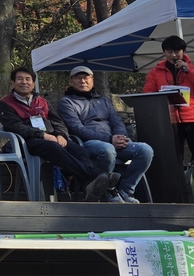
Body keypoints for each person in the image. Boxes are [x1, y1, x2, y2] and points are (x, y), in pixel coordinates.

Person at [0, 66, 117, 201]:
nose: (24, 82)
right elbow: (15, 126)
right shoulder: (5, 103)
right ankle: (96, 175)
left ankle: (87, 186)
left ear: (33, 83)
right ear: (13, 83)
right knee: (54, 148)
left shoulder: (41, 101)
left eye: (28, 79)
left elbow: (57, 121)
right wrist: (42, 135)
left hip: (51, 138)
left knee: (78, 150)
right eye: (20, 79)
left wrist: (61, 135)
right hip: (27, 141)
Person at [143, 36, 194, 203]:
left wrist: (189, 71)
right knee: (174, 160)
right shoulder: (156, 72)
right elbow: (147, 93)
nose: (173, 55)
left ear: (183, 52)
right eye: (169, 51)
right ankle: (177, 195)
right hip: (169, 121)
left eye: (177, 51)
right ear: (164, 52)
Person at [56, 66, 153, 204]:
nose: (83, 81)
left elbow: (116, 121)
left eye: (86, 78)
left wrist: (121, 137)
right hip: (87, 143)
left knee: (145, 150)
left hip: (112, 141)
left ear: (92, 80)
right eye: (78, 78)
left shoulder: (103, 101)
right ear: (71, 81)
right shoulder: (66, 102)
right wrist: (109, 139)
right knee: (107, 149)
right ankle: (108, 191)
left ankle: (126, 190)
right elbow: (77, 129)